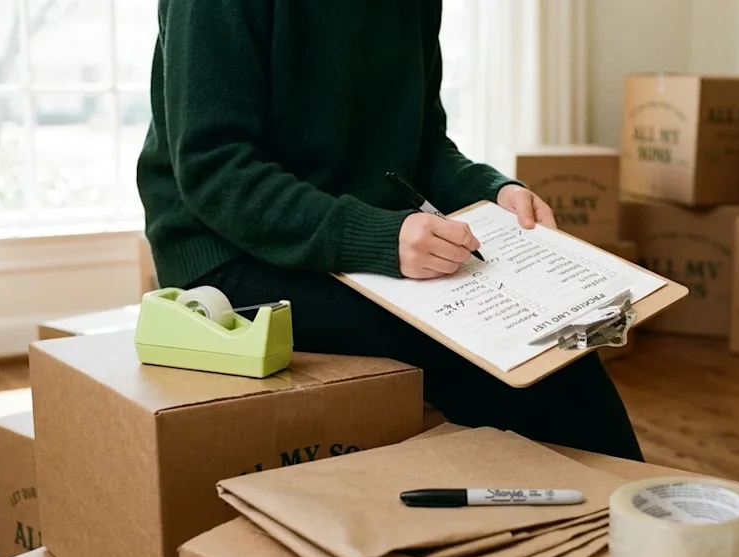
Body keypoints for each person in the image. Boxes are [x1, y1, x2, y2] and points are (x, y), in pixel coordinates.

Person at [136, 0, 644, 462]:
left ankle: (613, 528)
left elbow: (423, 147)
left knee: (561, 347)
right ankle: (611, 532)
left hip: (359, 244)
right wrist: (380, 238)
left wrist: (493, 191)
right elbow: (215, 169)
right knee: (498, 356)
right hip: (231, 253)